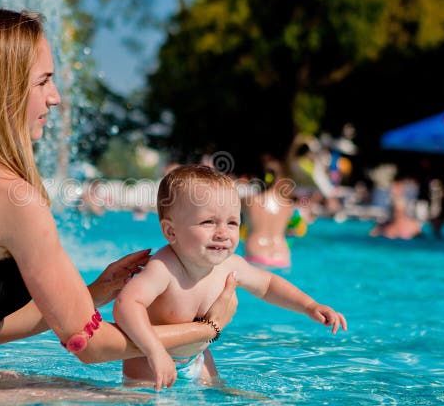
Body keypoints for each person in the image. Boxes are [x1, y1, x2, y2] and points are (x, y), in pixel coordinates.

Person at [0, 6, 238, 393]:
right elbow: (89, 346)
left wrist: (93, 293)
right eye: (43, 82)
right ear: (0, 90)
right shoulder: (11, 194)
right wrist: (207, 328)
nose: (54, 98)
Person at [113, 164, 347, 390]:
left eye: (233, 222)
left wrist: (309, 306)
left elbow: (268, 284)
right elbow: (126, 304)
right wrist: (154, 351)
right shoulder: (164, 269)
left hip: (198, 357)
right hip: (147, 361)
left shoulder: (229, 265)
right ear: (171, 231)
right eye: (208, 222)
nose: (223, 233)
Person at [242, 156, 296, 268]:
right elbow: (292, 229)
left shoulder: (248, 201)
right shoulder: (289, 205)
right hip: (282, 254)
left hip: (256, 251)